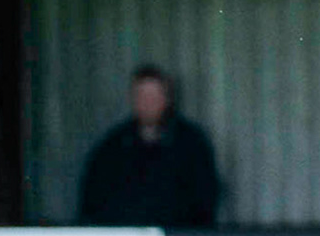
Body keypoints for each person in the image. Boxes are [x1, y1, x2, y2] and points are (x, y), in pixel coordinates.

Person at [78, 65, 222, 226]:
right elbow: (94, 198)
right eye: (142, 96)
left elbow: (205, 198)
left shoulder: (191, 143)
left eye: (154, 96)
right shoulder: (113, 146)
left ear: (167, 99)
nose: (148, 103)